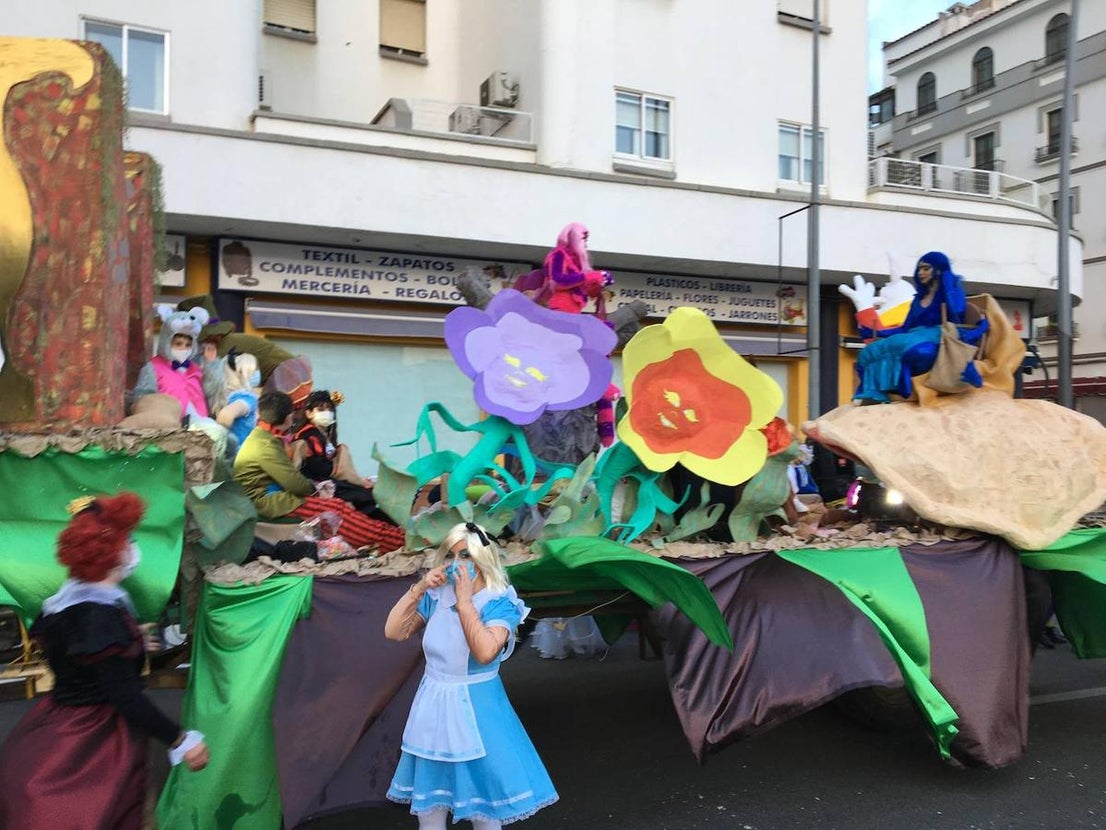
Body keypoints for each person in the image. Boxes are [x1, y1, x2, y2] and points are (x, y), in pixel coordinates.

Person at [0, 492, 209, 829]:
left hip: (58, 722)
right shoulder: (99, 616)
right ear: (111, 551)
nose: (133, 546)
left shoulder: (68, 604)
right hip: (92, 737)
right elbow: (124, 696)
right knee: (97, 812)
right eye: (129, 539)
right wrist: (181, 739)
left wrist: (132, 639)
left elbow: (82, 659)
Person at [385, 522, 558, 829]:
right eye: (450, 556)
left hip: (478, 713)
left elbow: (485, 652)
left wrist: (465, 603)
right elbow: (394, 631)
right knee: (430, 811)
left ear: (482, 559)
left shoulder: (499, 601)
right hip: (432, 709)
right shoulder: (437, 595)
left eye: (465, 555)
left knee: (484, 809)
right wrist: (421, 587)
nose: (457, 564)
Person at [233, 391, 405, 553]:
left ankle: (394, 536)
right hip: (269, 501)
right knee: (335, 511)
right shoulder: (266, 444)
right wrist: (317, 491)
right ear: (287, 418)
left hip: (274, 497)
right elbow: (294, 483)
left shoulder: (264, 438)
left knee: (340, 505)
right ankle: (396, 541)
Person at [843, 251, 987, 404]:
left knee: (907, 346)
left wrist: (948, 289)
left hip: (938, 336)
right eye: (920, 269)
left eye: (926, 268)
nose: (921, 273)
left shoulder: (953, 293)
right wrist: (879, 332)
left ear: (938, 269)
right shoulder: (918, 300)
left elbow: (957, 317)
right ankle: (873, 393)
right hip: (912, 335)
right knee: (871, 350)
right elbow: (905, 328)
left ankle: (899, 386)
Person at [292, 389, 388, 520]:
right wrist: (351, 478)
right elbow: (319, 467)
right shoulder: (308, 436)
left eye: (329, 409)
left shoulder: (325, 435)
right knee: (362, 495)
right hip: (317, 484)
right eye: (320, 409)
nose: (326, 413)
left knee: (366, 494)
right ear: (309, 413)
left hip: (331, 478)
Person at [215, 349, 261, 456]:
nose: (258, 373)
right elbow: (226, 415)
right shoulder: (247, 398)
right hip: (243, 456)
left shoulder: (229, 396)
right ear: (241, 373)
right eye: (255, 369)